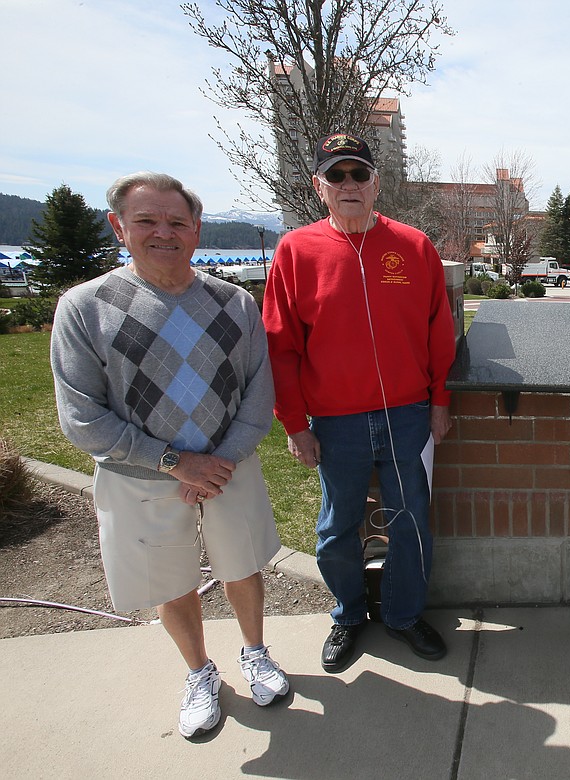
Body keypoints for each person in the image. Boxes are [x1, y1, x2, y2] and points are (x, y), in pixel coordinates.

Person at [50, 172, 288, 739]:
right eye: (147, 221)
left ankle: (256, 651)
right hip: (141, 475)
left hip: (229, 465)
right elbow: (81, 417)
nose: (164, 233)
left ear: (196, 229)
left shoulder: (233, 303)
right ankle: (199, 673)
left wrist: (220, 460)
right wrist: (174, 462)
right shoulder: (85, 307)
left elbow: (259, 391)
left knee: (243, 563)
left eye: (177, 222)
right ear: (119, 227)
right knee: (170, 578)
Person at [264, 133, 456, 672]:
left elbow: (440, 332)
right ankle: (348, 615)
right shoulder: (296, 252)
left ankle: (402, 614)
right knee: (335, 528)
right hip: (335, 422)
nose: (349, 184)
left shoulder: (415, 247)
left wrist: (439, 400)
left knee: (411, 520)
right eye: (337, 175)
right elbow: (280, 346)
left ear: (376, 183)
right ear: (319, 186)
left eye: (358, 174)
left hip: (407, 417)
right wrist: (294, 423)